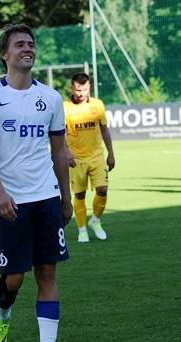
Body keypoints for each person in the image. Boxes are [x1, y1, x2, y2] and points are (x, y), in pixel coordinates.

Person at [0, 24, 72, 342]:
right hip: (9, 201)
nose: (27, 49)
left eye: (30, 44)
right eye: (19, 44)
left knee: (47, 272)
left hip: (46, 196)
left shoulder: (51, 98)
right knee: (14, 277)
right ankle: (2, 314)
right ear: (4, 54)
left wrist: (65, 198)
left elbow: (59, 151)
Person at [64, 72, 115, 242]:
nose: (81, 93)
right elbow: (60, 133)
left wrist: (111, 153)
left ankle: (95, 220)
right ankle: (82, 230)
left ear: (89, 87)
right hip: (76, 158)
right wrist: (66, 152)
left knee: (103, 189)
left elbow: (104, 130)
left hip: (96, 156)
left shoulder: (97, 105)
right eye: (78, 90)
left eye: (84, 90)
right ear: (72, 88)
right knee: (79, 195)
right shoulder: (65, 107)